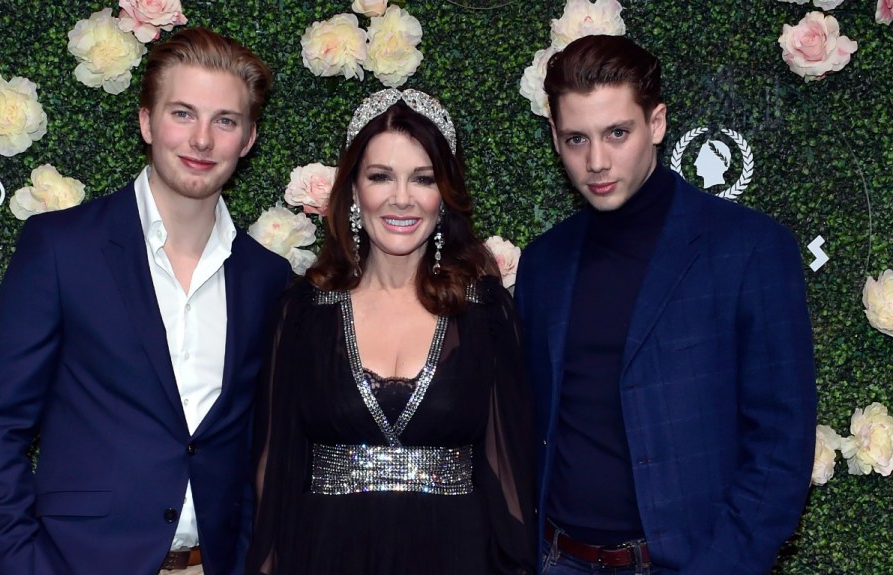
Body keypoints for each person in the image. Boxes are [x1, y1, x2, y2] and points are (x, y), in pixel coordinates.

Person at [0, 28, 291, 575]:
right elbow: (1, 425)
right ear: (146, 121)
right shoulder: (61, 248)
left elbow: (261, 444)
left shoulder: (268, 278)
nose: (202, 141)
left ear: (249, 139)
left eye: (225, 121)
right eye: (183, 113)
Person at [514, 35, 816, 574]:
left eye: (617, 133)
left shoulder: (749, 248)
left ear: (656, 124)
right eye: (576, 139)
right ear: (555, 139)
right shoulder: (544, 263)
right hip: (557, 559)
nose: (597, 161)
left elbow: (780, 443)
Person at [246, 88, 535, 575]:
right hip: (325, 556)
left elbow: (511, 479)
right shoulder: (303, 312)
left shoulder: (485, 311)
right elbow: (273, 475)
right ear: (355, 189)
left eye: (422, 179)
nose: (401, 198)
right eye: (381, 176)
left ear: (444, 195)